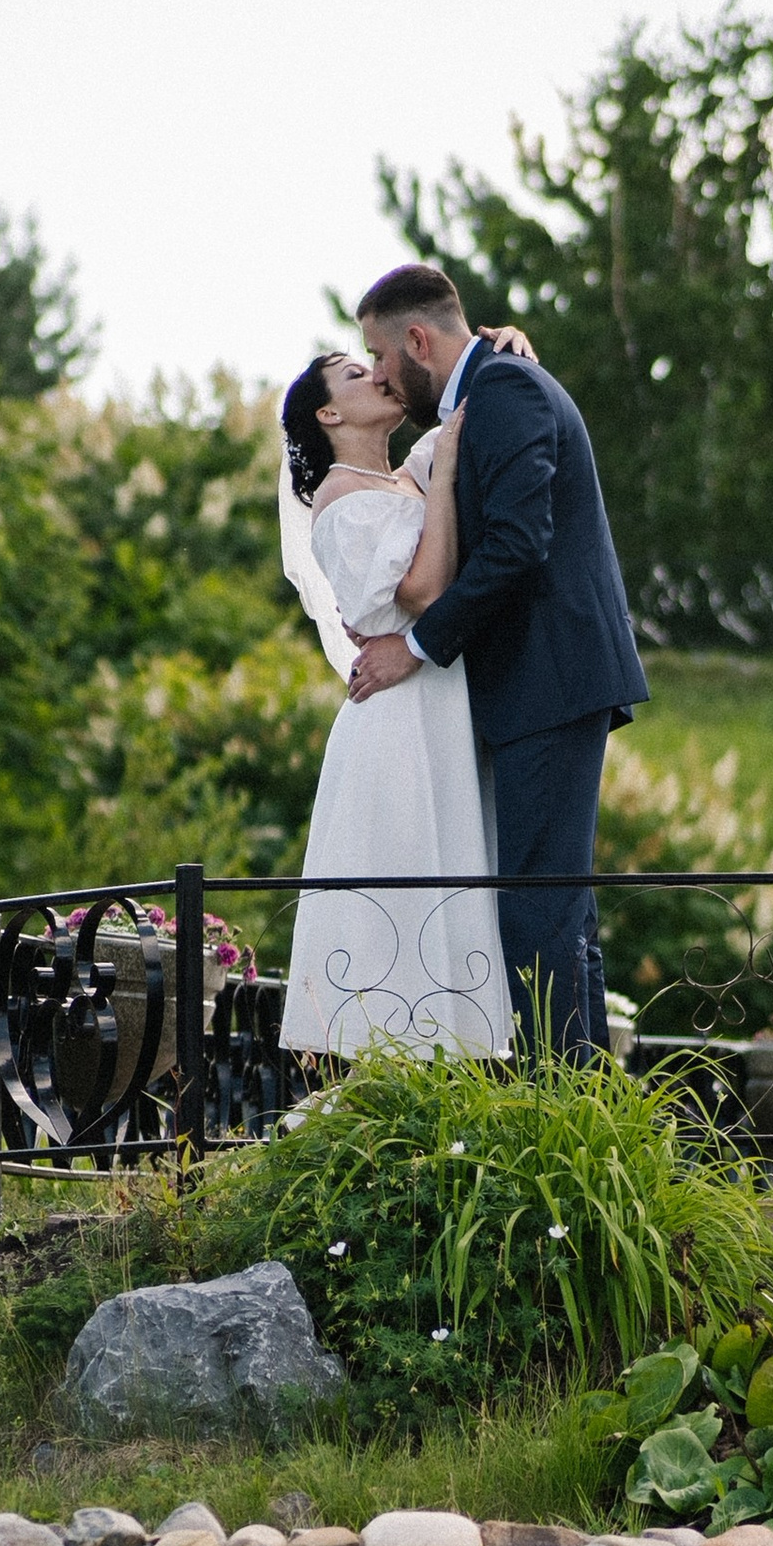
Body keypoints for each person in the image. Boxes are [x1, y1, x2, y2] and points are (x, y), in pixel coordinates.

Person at [350, 263, 648, 1059]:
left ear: (417, 339)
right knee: (556, 911)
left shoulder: (507, 391)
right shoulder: (486, 396)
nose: (380, 374)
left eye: (378, 356)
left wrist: (414, 647)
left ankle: (557, 1111)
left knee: (536, 912)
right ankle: (582, 1107)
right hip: (541, 686)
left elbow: (520, 544)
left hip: (550, 681)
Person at [276, 354, 507, 1058]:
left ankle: (444, 1076)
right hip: (396, 723)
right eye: (353, 374)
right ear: (329, 414)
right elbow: (427, 589)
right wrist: (442, 474)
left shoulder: (396, 478)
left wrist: (502, 345)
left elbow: (462, 387)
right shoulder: (341, 497)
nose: (377, 374)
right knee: (404, 897)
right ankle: (392, 1083)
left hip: (436, 706)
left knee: (451, 881)